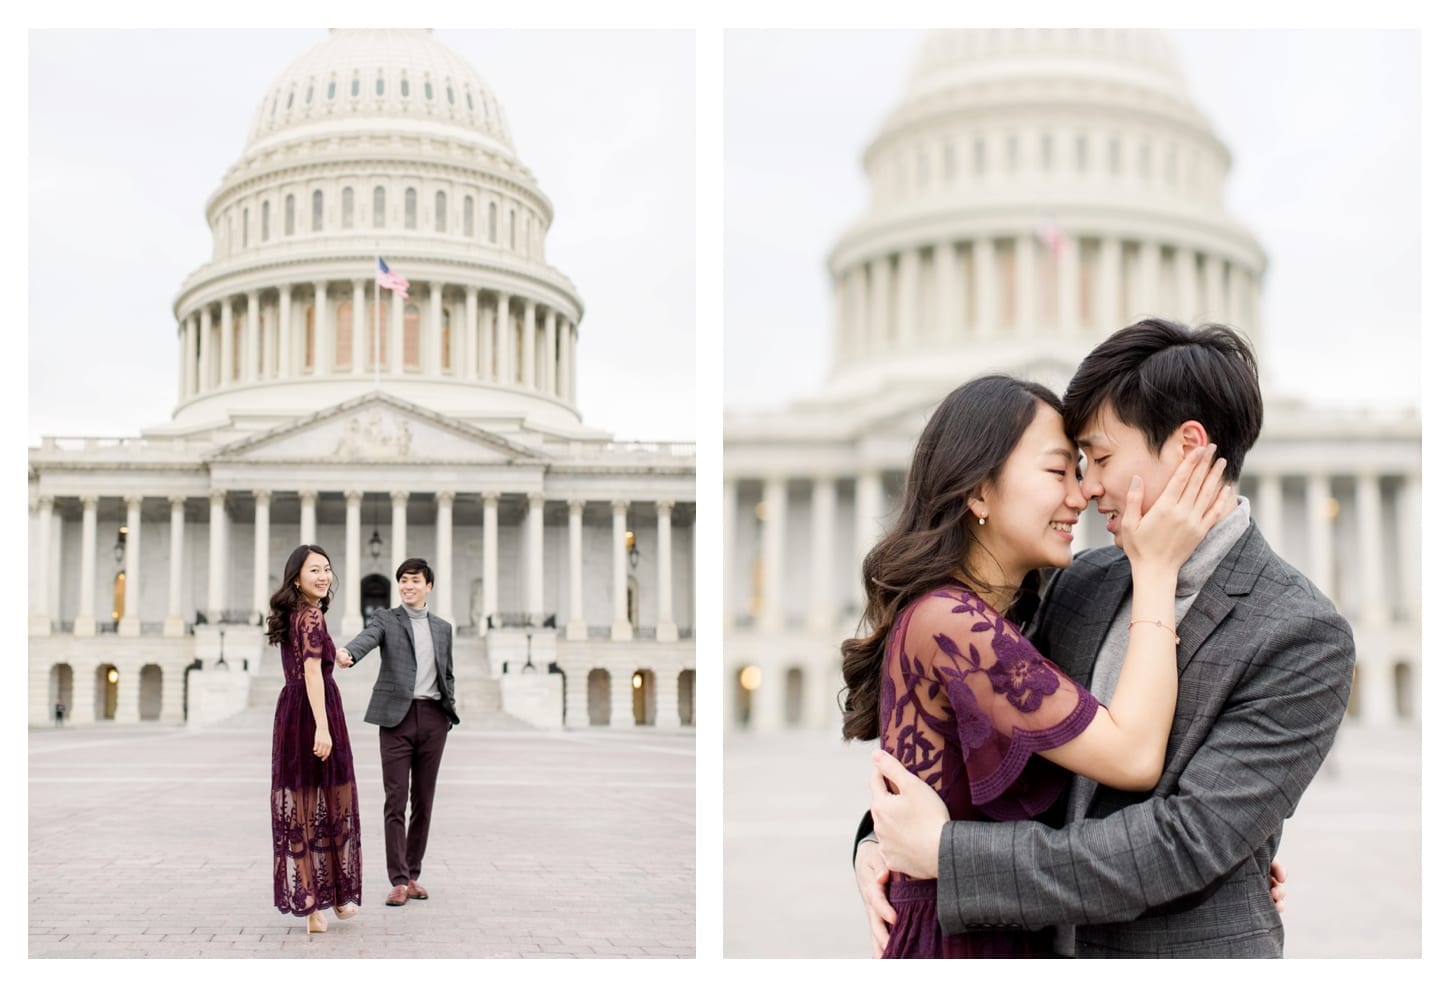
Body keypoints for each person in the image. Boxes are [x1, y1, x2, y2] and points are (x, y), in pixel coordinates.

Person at [856, 319, 1354, 957]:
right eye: (1073, 466)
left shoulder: (1301, 633)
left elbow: (1183, 844)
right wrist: (881, 844)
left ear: (1188, 446)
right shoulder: (1081, 583)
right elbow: (974, 743)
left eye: (1101, 460)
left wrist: (948, 858)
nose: (1086, 491)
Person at [838, 373, 1233, 958]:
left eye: (1081, 470)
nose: (1081, 495)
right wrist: (1155, 571)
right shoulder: (952, 625)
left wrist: (1235, 867)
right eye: (1059, 472)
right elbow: (1132, 755)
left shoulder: (990, 617)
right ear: (977, 489)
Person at [337, 558, 459, 907]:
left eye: (414, 580)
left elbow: (447, 672)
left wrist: (448, 712)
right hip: (396, 719)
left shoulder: (442, 628)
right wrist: (348, 652)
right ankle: (398, 880)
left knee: (424, 800)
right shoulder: (386, 619)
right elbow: (367, 638)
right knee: (395, 800)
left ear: (428, 586)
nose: (408, 586)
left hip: (434, 717)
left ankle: (414, 873)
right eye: (403, 580)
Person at [268, 544, 362, 935]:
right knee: (333, 799)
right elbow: (310, 674)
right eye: (314, 571)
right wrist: (323, 728)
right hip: (315, 710)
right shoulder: (311, 616)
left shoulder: (297, 615)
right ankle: (332, 900)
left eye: (326, 569)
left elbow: (307, 662)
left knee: (304, 803)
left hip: (291, 711)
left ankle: (316, 905)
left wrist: (332, 653)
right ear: (296, 578)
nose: (323, 576)